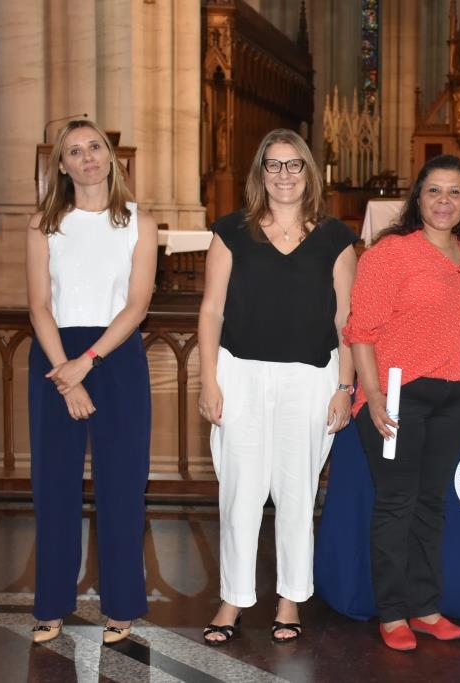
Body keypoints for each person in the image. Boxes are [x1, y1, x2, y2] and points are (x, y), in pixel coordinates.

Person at [198, 129, 357, 646]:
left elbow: (345, 318)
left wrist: (345, 385)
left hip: (310, 378)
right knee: (241, 493)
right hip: (240, 373)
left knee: (296, 492)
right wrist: (208, 380)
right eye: (274, 165)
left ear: (308, 172)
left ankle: (290, 597)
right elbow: (212, 309)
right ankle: (233, 598)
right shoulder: (230, 231)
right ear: (260, 173)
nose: (284, 175)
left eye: (294, 165)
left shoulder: (335, 237)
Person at [343, 154, 460, 651]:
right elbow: (360, 331)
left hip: (454, 396)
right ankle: (393, 613)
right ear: (417, 197)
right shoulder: (391, 254)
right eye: (434, 191)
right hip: (399, 395)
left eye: (454, 192)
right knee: (396, 503)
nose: (444, 201)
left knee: (432, 504)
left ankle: (426, 606)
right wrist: (376, 395)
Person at [25, 119, 157, 645]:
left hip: (116, 356)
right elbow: (37, 305)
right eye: (74, 152)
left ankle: (121, 605)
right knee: (53, 486)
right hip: (54, 356)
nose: (87, 159)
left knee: (122, 486)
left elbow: (138, 303)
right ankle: (51, 604)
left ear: (112, 156)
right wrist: (66, 374)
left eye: (95, 148)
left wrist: (89, 362)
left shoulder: (139, 223)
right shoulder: (43, 224)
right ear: (61, 165)